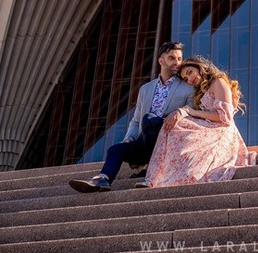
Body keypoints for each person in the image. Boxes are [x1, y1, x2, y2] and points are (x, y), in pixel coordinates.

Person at [69, 41, 194, 192]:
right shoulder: (145, 89)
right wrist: (129, 138)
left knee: (149, 119)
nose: (177, 63)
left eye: (179, 59)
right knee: (116, 149)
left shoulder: (188, 88)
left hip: (167, 142)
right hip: (145, 141)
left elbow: (190, 117)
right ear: (161, 61)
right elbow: (135, 121)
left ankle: (150, 167)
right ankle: (103, 180)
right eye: (172, 58)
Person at [136, 56, 254, 188]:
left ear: (199, 67)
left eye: (190, 72)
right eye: (186, 79)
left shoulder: (218, 82)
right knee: (173, 125)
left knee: (182, 130)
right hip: (209, 127)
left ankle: (171, 176)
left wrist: (192, 112)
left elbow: (225, 117)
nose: (190, 79)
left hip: (223, 130)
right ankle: (154, 177)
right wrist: (182, 112)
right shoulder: (200, 91)